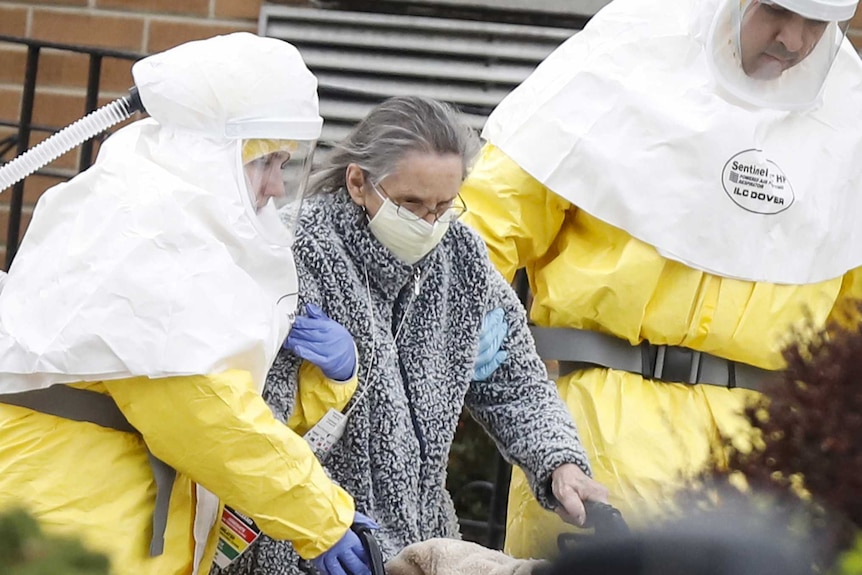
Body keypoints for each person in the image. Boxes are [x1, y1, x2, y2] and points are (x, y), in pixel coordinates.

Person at [459, 0, 862, 559]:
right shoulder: (624, 56)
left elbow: (851, 334)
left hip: (772, 460)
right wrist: (461, 344)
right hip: (603, 439)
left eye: (817, 24)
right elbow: (481, 230)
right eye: (774, 10)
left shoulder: (848, 111)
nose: (793, 40)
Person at [0, 33, 376, 575]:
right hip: (71, 528)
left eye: (284, 163)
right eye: (265, 160)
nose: (276, 185)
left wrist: (327, 385)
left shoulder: (168, 229)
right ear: (209, 157)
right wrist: (322, 519)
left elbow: (229, 412)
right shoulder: (147, 235)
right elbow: (203, 412)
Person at [221, 95, 609, 575]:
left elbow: (519, 386)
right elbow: (254, 424)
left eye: (444, 205)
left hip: (422, 544)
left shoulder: (461, 256)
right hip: (315, 545)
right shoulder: (297, 251)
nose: (430, 222)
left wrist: (559, 463)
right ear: (359, 182)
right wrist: (315, 523)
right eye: (411, 203)